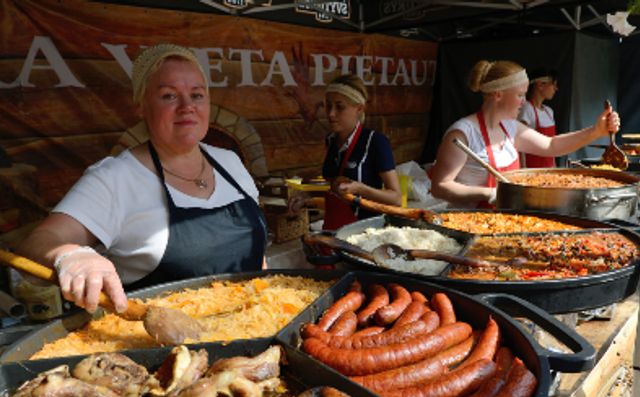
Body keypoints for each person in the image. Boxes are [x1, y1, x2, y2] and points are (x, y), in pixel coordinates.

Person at [18, 43, 267, 313]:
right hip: (166, 350)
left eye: (196, 95)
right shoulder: (115, 178)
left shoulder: (230, 162)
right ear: (141, 106)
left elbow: (257, 257)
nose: (187, 107)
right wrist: (71, 255)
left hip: (259, 328)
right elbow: (39, 241)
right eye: (169, 96)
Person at [429, 60, 620, 209]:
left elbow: (551, 146)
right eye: (520, 95)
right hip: (468, 226)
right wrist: (488, 193)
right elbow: (440, 186)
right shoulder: (463, 133)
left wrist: (596, 131)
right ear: (498, 94)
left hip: (506, 221)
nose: (523, 102)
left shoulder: (510, 127)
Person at [288, 74, 402, 230]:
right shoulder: (331, 140)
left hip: (367, 231)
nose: (331, 114)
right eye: (328, 106)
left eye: (339, 107)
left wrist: (360, 189)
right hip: (336, 227)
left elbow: (396, 198)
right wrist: (307, 196)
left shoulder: (375, 141)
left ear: (359, 108)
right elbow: (333, 187)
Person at [518, 67, 560, 168]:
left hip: (549, 170)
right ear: (540, 85)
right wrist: (523, 171)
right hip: (532, 170)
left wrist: (554, 168)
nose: (556, 88)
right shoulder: (527, 109)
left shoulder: (549, 111)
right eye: (553, 84)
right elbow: (520, 145)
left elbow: (552, 147)